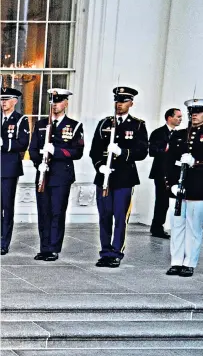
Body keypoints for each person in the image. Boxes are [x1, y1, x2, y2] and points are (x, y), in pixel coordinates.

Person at [89, 86, 148, 268]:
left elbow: (142, 152)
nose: (119, 104)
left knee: (120, 217)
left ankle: (116, 252)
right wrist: (100, 167)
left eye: (123, 101)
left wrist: (123, 152)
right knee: (104, 216)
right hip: (104, 178)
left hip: (124, 178)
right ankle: (105, 251)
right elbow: (94, 151)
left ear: (131, 103)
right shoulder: (104, 123)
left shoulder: (137, 125)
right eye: (117, 101)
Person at [29, 88, 84, 261]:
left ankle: (53, 248)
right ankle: (44, 247)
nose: (55, 105)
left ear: (66, 103)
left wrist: (56, 151)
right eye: (53, 101)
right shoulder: (40, 124)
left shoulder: (74, 126)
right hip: (43, 174)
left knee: (57, 212)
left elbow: (77, 152)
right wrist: (39, 163)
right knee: (43, 212)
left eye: (59, 101)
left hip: (61, 175)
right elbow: (32, 149)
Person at [166, 98, 203, 277]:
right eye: (192, 112)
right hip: (178, 189)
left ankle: (189, 263)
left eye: (198, 111)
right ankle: (176, 261)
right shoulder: (179, 135)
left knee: (194, 228)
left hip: (198, 189)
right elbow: (169, 161)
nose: (194, 114)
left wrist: (196, 162)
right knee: (177, 226)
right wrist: (171, 184)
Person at [1, 87, 30, 255]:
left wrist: (4, 145)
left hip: (9, 170)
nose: (3, 102)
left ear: (15, 101)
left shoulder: (20, 120)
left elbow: (23, 143)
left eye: (7, 99)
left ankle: (4, 242)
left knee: (6, 207)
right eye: (1, 99)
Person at [149, 108, 182, 238]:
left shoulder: (180, 134)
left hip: (175, 172)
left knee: (177, 201)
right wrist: (167, 149)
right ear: (169, 117)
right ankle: (157, 227)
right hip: (160, 171)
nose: (180, 119)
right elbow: (152, 151)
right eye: (178, 116)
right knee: (162, 201)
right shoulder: (158, 133)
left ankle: (177, 228)